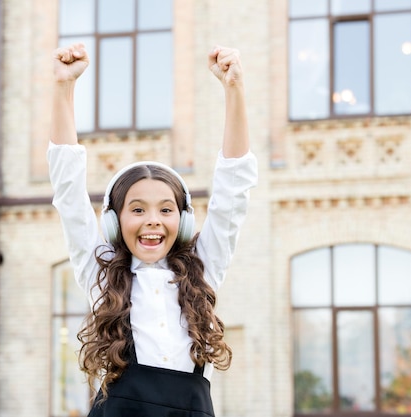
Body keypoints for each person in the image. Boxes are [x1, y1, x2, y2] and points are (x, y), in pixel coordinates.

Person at [48, 43, 258, 416]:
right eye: (138, 209)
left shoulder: (203, 269)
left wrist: (234, 89)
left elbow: (233, 192)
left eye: (165, 209)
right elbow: (68, 194)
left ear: (184, 220)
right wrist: (64, 89)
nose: (152, 220)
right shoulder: (101, 275)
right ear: (114, 221)